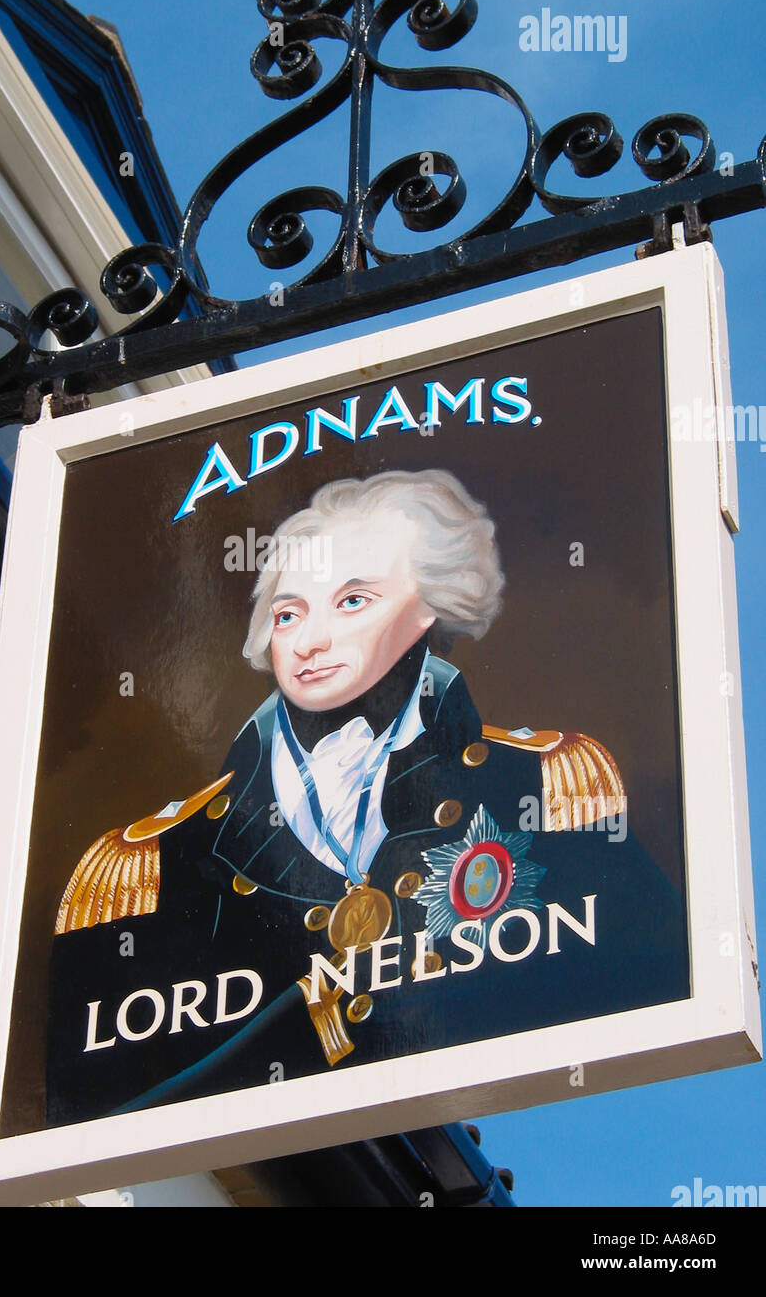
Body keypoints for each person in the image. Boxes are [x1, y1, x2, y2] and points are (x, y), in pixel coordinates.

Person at [46, 470, 689, 1126]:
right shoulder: (147, 863)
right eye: (289, 613)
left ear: (430, 606)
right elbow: (80, 1118)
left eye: (352, 601)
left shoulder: (538, 783)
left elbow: (654, 974)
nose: (311, 640)